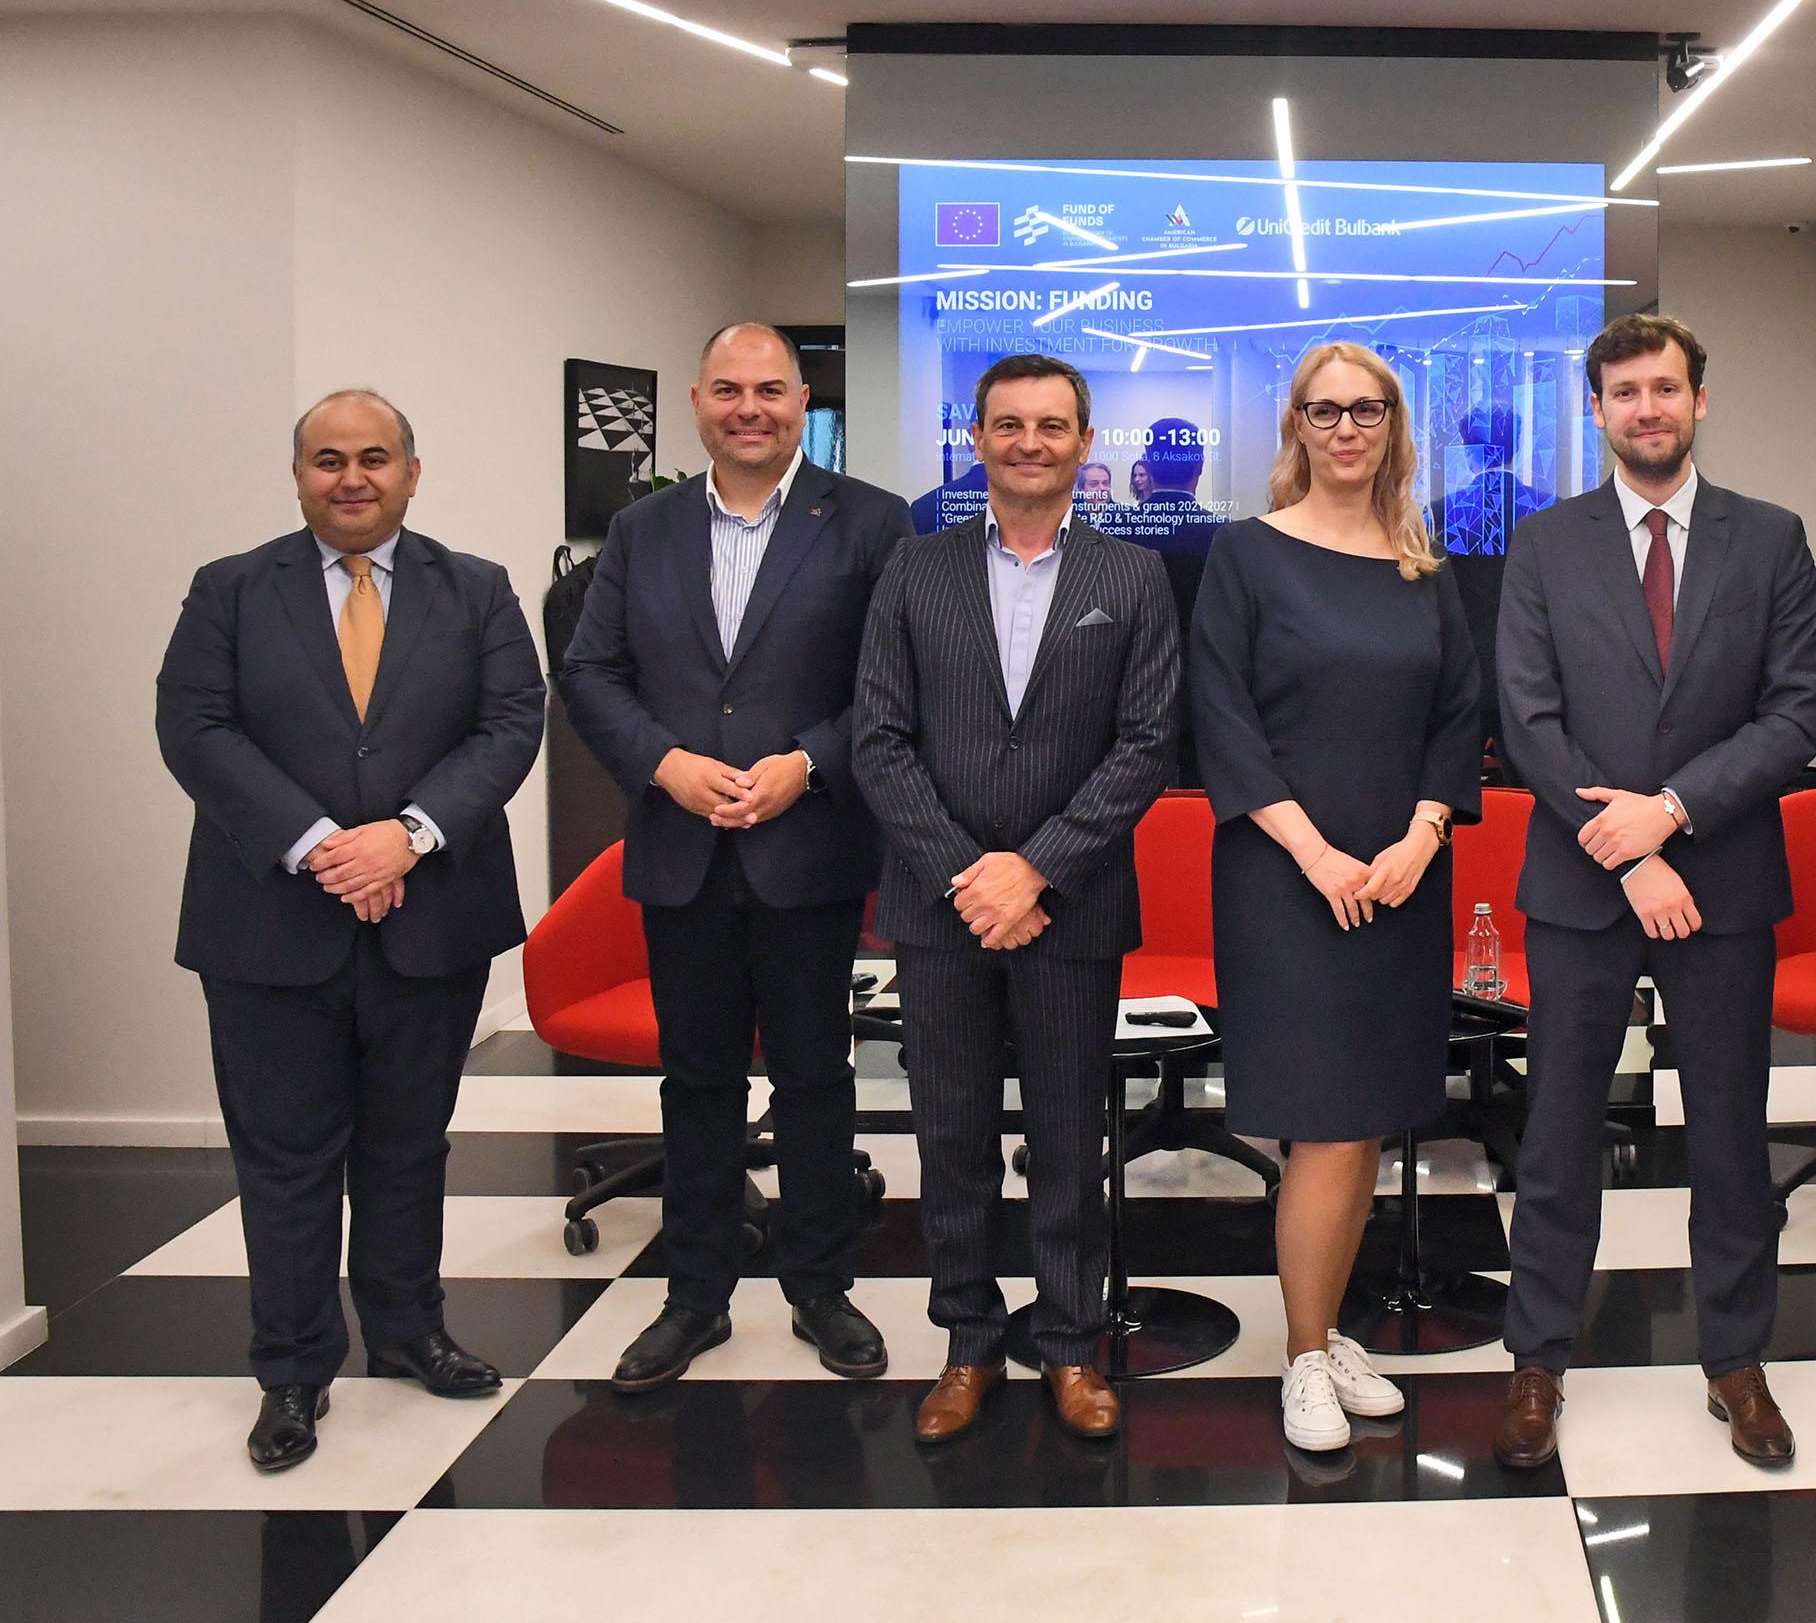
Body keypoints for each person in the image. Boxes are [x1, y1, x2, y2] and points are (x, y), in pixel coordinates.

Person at [155, 389, 544, 1471]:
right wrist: (326, 843)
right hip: (269, 924)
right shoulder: (231, 589)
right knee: (284, 1158)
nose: (352, 477)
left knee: (409, 1143)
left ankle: (410, 1327)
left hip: (433, 916)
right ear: (299, 476)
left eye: (375, 457)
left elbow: (510, 723)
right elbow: (194, 725)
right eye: (328, 459)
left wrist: (406, 838)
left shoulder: (478, 589)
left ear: (413, 472)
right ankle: (290, 1368)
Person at [1488, 312, 1816, 1472]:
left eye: (1666, 387)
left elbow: (1794, 711)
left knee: (1730, 1131)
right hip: (1584, 883)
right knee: (1558, 1128)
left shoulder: (1769, 538)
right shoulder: (1546, 543)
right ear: (1596, 409)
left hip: (1722, 880)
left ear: (1699, 399)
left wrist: (1672, 813)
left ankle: (1736, 1357)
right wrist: (1627, 849)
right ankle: (1537, 1357)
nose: (1647, 408)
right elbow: (1527, 716)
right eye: (1625, 391)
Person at [560, 324, 911, 1391]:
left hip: (808, 847)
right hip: (684, 850)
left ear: (802, 400)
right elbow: (591, 671)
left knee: (815, 1076)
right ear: (697, 403)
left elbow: (893, 681)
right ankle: (694, 1295)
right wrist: (662, 764)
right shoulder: (642, 529)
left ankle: (821, 1286)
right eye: (727, 390)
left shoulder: (871, 522)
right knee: (697, 1080)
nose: (748, 408)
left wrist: (810, 763)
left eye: (769, 389)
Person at [854, 352, 1181, 1442]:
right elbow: (879, 738)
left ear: (1085, 442)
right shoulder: (915, 567)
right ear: (976, 439)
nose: (1029, 442)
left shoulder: (1133, 577)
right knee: (951, 1135)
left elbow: (1147, 744)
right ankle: (969, 1342)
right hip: (938, 905)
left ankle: (1072, 1344)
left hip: (1070, 904)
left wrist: (1035, 867)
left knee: (1068, 1135)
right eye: (1008, 423)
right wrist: (970, 874)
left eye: (1051, 424)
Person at [1188, 342, 1484, 1454]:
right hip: (1286, 876)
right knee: (1320, 1119)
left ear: (1393, 426)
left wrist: (1422, 834)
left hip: (1402, 877)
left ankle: (1324, 1329)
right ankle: (1303, 1355)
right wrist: (1315, 853)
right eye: (1325, 410)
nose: (1347, 428)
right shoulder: (1247, 554)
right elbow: (1221, 716)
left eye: (1367, 409)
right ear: (1297, 427)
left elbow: (1459, 716)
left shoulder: (1422, 566)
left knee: (1367, 1118)